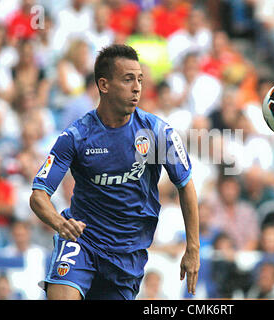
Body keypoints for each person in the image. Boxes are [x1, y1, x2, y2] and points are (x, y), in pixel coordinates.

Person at [29, 44, 200, 300]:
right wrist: (60, 223)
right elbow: (38, 195)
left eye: (140, 79)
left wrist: (193, 248)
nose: (137, 87)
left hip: (127, 255)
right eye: (128, 79)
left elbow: (185, 185)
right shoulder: (76, 136)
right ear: (104, 85)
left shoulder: (157, 132)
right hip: (81, 241)